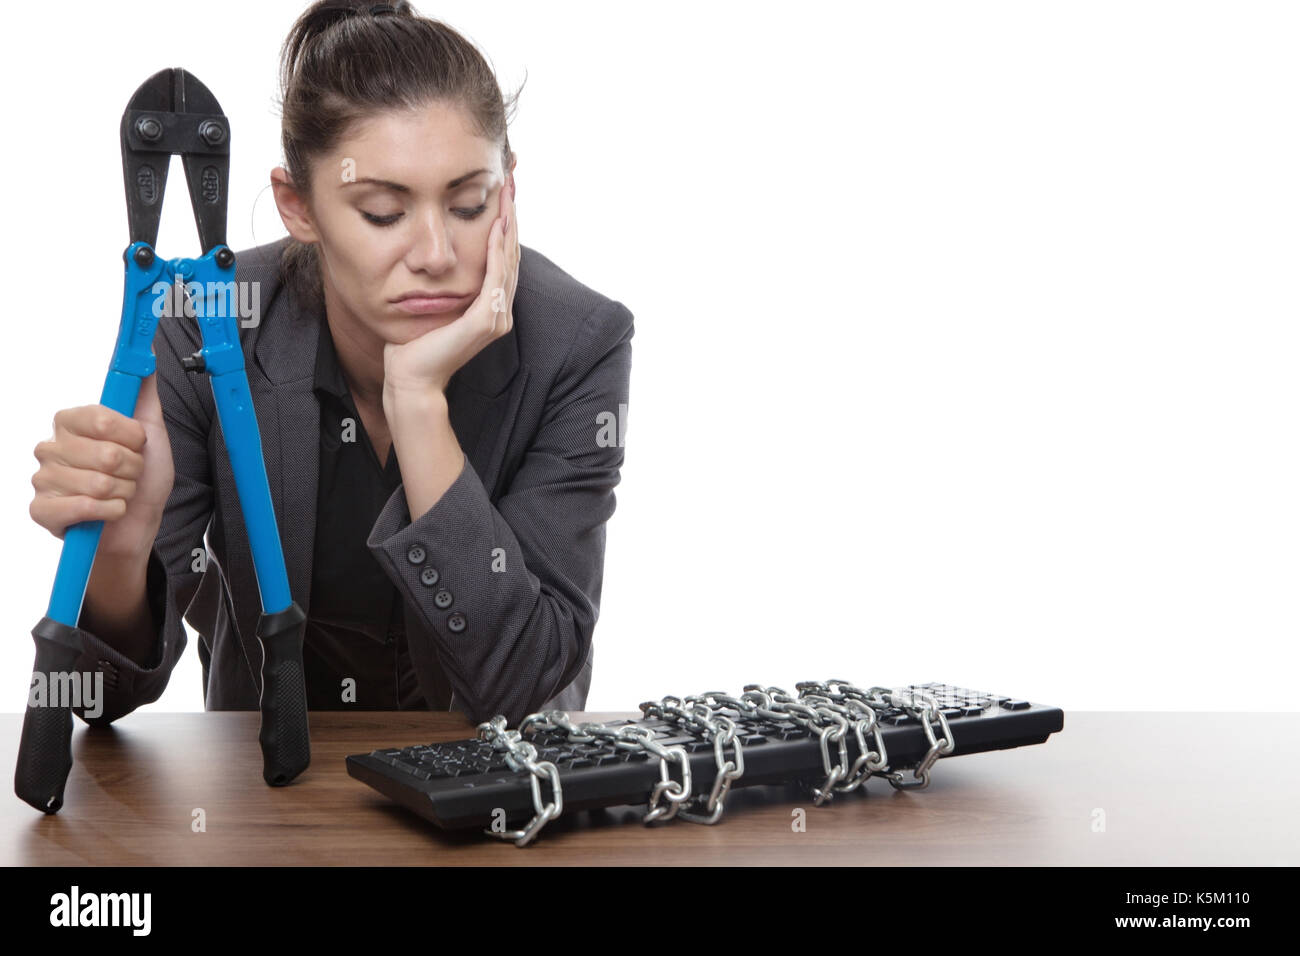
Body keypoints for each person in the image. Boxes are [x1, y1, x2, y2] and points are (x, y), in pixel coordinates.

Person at [27, 0, 633, 726]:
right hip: (269, 802)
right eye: (382, 212)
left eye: (469, 204)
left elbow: (527, 694)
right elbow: (99, 702)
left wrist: (417, 403)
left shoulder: (577, 341)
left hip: (496, 825)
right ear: (297, 206)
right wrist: (122, 555)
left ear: (508, 190)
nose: (436, 256)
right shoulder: (207, 318)